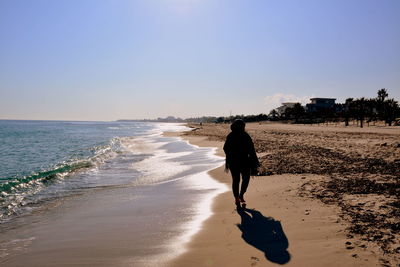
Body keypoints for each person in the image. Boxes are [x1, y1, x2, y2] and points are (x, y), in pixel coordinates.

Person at [223, 119, 259, 206]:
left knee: (237, 180)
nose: (244, 127)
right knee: (244, 179)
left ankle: (238, 197)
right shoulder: (244, 135)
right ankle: (239, 196)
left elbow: (225, 148)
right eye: (243, 126)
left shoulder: (231, 135)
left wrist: (230, 155)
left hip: (234, 162)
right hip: (243, 161)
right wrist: (255, 161)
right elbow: (251, 150)